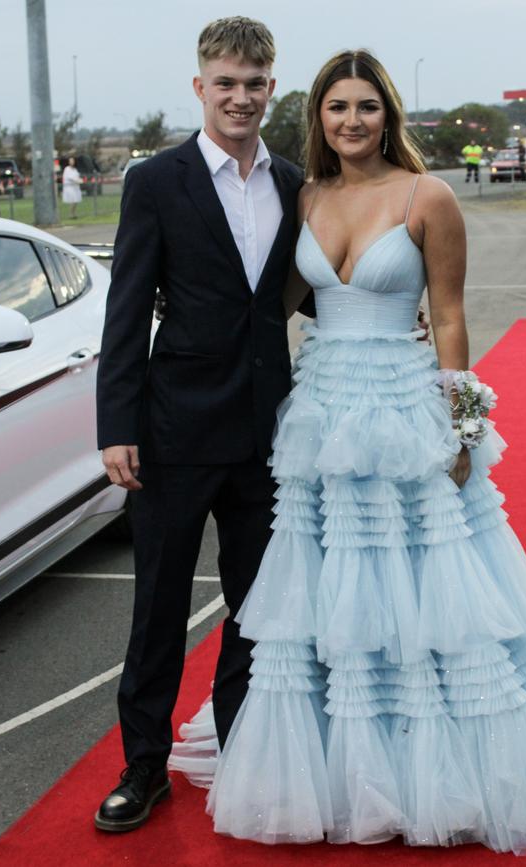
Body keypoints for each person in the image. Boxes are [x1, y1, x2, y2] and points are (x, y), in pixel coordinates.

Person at [172, 49, 526, 855]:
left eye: (366, 106)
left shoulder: (427, 195)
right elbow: (274, 303)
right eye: (337, 108)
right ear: (319, 118)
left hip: (406, 411)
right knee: (331, 597)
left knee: (423, 596)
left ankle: (438, 767)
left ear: (388, 114)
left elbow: (450, 322)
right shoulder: (303, 195)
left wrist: (466, 430)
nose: (352, 121)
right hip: (322, 413)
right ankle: (346, 768)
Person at [95, 16, 429, 836]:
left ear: (271, 88)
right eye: (226, 83)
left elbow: (301, 284)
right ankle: (143, 764)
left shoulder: (291, 182)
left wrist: (377, 314)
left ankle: (249, 748)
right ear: (200, 86)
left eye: (255, 84)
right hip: (172, 433)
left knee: (260, 612)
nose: (240, 97)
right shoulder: (154, 181)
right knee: (158, 608)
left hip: (267, 434)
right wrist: (117, 425)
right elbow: (126, 311)